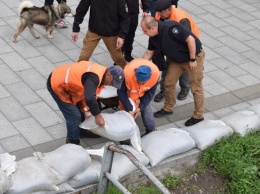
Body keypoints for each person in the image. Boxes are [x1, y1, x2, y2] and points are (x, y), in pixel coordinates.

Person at [141, 16, 205, 126]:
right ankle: (168, 108)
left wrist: (193, 59)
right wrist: (137, 66)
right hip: (177, 60)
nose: (144, 33)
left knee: (196, 87)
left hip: (193, 58)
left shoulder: (171, 28)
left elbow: (191, 40)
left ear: (152, 28)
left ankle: (198, 115)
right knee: (168, 83)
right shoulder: (153, 38)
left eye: (145, 31)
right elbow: (149, 53)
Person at [47, 61, 124, 145]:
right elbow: (89, 97)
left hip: (72, 86)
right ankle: (72, 142)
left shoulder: (101, 75)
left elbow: (87, 94)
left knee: (83, 111)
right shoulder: (93, 78)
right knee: (74, 116)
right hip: (58, 84)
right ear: (108, 75)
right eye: (113, 82)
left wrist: (86, 110)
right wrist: (97, 116)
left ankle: (81, 130)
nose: (112, 85)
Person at [152, 0, 201, 102]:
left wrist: (191, 59)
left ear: (169, 9)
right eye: (158, 12)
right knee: (166, 68)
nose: (160, 14)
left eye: (162, 12)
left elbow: (187, 40)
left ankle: (185, 88)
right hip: (171, 44)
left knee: (184, 67)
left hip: (186, 46)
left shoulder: (181, 19)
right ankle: (164, 90)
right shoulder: (159, 14)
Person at [71, 0, 130, 69]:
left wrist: (121, 36)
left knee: (118, 59)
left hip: (111, 33)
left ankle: (127, 73)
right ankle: (78, 74)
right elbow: (81, 9)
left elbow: (125, 18)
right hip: (94, 31)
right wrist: (75, 27)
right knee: (83, 57)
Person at [118, 58, 160, 135]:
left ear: (149, 78)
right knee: (125, 108)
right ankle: (125, 132)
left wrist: (140, 107)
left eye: (143, 83)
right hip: (130, 90)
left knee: (146, 108)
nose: (140, 84)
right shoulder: (126, 75)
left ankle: (150, 129)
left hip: (144, 91)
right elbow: (121, 92)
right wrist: (129, 108)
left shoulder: (155, 76)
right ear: (135, 75)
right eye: (138, 81)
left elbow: (150, 94)